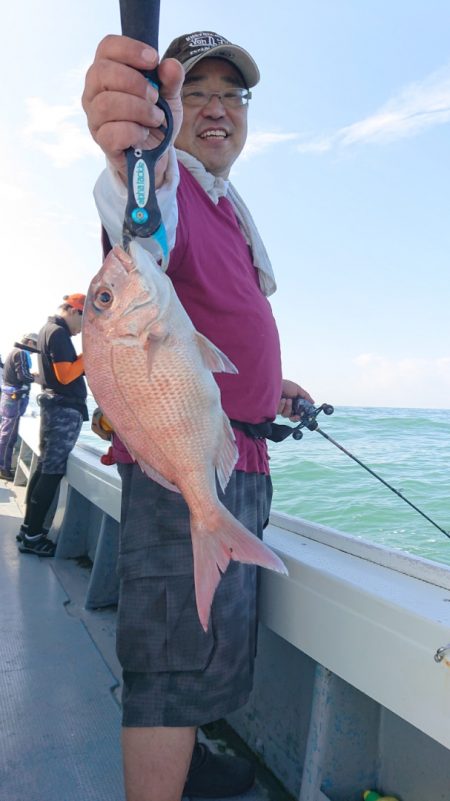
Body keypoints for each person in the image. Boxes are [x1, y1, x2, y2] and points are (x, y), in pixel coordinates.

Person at [82, 30, 314, 801]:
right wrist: (132, 149)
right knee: (168, 665)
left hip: (235, 454)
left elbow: (215, 331)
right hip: (180, 459)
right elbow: (136, 212)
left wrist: (274, 386)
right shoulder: (167, 186)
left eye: (232, 95)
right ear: (168, 108)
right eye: (197, 93)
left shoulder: (231, 210)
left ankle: (191, 765)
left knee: (209, 642)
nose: (215, 109)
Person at [18, 294, 88, 557]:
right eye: (83, 319)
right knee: (51, 473)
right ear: (73, 310)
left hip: (54, 407)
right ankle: (33, 536)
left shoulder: (48, 331)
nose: (82, 329)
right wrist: (89, 353)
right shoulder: (58, 333)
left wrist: (80, 358)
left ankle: (28, 528)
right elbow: (66, 374)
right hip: (63, 410)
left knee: (44, 469)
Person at [0, 333, 38, 480]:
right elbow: (23, 377)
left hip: (9, 398)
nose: (35, 351)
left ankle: (5, 466)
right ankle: (3, 468)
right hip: (14, 400)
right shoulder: (21, 353)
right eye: (34, 346)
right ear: (29, 342)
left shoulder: (13, 352)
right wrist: (35, 376)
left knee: (7, 433)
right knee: (8, 435)